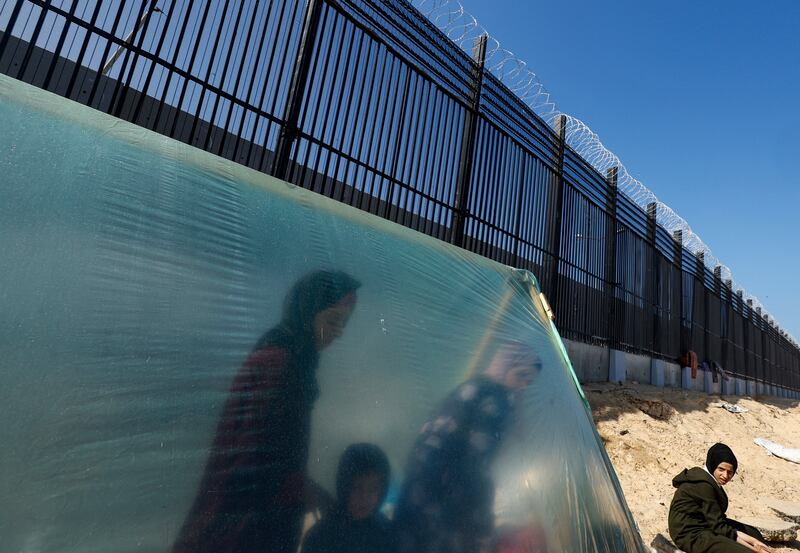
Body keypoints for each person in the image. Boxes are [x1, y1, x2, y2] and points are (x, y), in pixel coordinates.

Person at [173, 270, 361, 553]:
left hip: (256, 522)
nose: (339, 332)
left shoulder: (295, 361)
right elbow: (250, 460)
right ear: (308, 312)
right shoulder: (278, 364)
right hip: (242, 528)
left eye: (344, 324)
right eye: (333, 320)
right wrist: (303, 488)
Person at [394, 342, 542, 553]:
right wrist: (483, 526)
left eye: (529, 382)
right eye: (521, 375)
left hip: (417, 491)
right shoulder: (493, 401)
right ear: (504, 366)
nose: (524, 385)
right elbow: (474, 467)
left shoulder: (474, 387)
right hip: (440, 499)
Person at [668, 443, 775, 553]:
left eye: (730, 472)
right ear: (713, 465)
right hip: (690, 535)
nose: (725, 476)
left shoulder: (709, 479)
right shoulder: (703, 485)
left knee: (754, 534)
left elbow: (718, 522)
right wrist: (753, 547)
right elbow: (719, 527)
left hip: (706, 523)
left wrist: (754, 540)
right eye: (721, 469)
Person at [301, 443, 395, 553]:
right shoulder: (319, 536)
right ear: (343, 487)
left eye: (373, 488)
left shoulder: (387, 533)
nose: (364, 497)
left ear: (382, 490)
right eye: (357, 487)